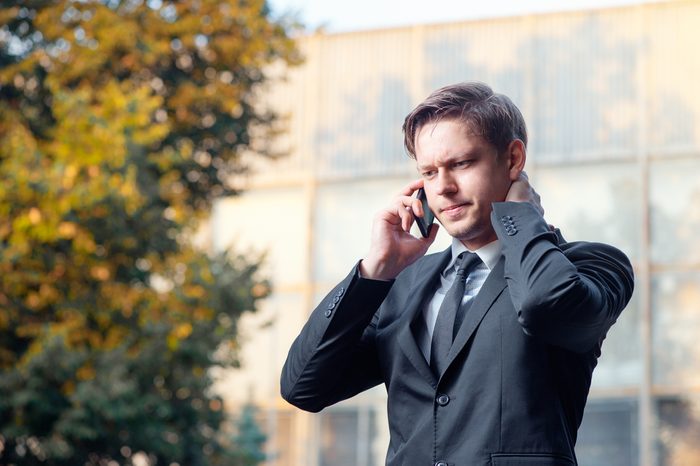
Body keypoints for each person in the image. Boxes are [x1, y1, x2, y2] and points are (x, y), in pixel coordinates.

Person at [280, 82, 634, 466]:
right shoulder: (399, 286)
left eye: (461, 164)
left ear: (514, 159)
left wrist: (520, 216)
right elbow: (303, 387)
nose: (444, 188)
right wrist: (374, 270)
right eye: (429, 173)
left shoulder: (590, 266)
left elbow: (543, 305)